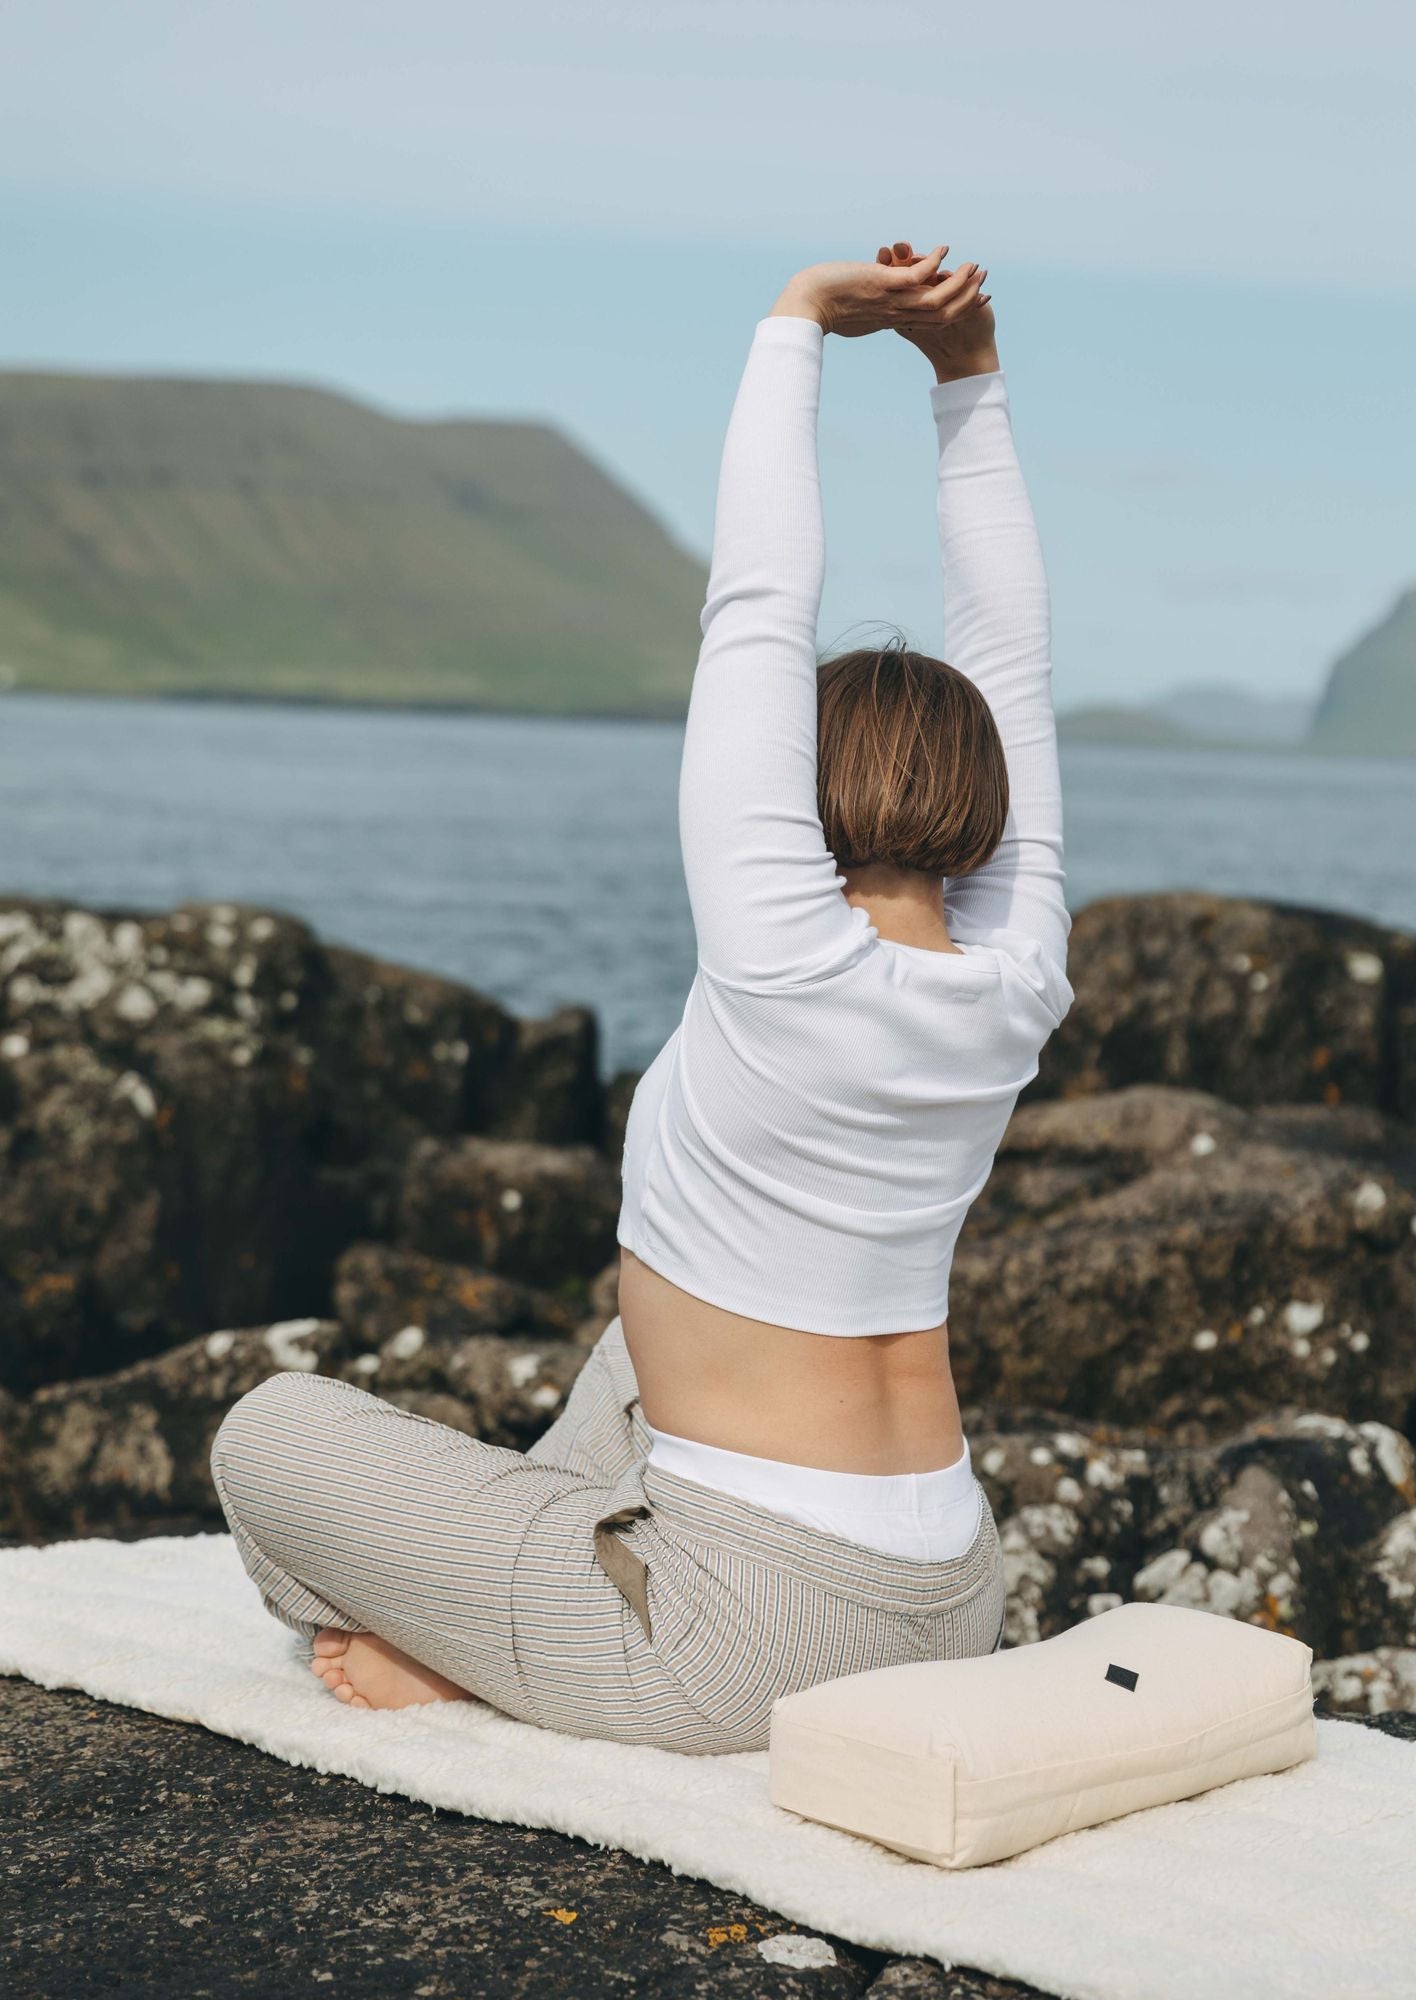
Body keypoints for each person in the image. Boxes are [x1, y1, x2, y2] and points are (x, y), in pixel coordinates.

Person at [210, 242, 1074, 1752]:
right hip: (949, 1589)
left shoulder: (776, 956)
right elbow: (1011, 655)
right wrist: (966, 380)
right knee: (627, 1361)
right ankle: (529, 1616)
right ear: (991, 812)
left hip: (747, 1639)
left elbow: (756, 602)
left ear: (794, 801)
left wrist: (795, 324)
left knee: (269, 1432)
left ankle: (495, 1654)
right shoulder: (1020, 975)